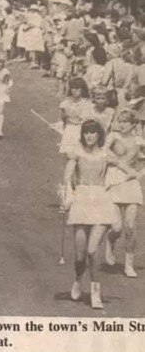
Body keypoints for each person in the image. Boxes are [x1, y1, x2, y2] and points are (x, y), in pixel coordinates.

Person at [62, 120, 137, 309]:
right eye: (86, 133)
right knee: (80, 256)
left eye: (93, 133)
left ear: (99, 136)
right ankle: (78, 280)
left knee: (92, 251)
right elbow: (67, 177)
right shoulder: (76, 153)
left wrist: (131, 174)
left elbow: (128, 169)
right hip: (81, 201)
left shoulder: (106, 154)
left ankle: (96, 292)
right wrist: (67, 197)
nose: (89, 136)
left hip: (101, 203)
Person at [104, 109, 145, 277]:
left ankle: (129, 264)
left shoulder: (139, 141)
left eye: (125, 122)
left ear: (134, 124)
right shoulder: (112, 137)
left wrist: (140, 173)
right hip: (113, 181)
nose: (121, 125)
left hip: (131, 183)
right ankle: (109, 240)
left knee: (130, 227)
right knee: (116, 227)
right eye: (119, 121)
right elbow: (104, 153)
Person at [59, 78, 93, 157]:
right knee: (69, 154)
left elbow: (85, 118)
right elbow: (63, 118)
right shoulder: (66, 103)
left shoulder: (86, 103)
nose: (74, 90)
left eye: (78, 88)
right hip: (69, 130)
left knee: (80, 154)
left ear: (83, 89)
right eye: (72, 88)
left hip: (80, 129)